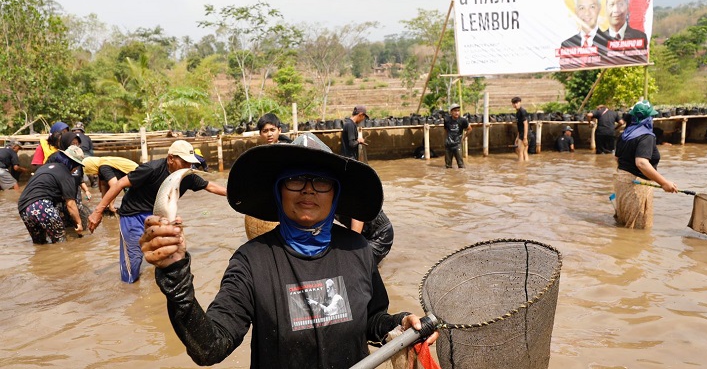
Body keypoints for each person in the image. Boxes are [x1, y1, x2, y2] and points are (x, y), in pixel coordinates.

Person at [139, 132, 438, 367]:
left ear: (335, 194)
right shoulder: (251, 261)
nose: (308, 189)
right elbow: (210, 349)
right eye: (295, 180)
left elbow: (372, 321)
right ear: (278, 190)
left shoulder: (357, 249)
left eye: (321, 182)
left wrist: (399, 324)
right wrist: (175, 275)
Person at [88, 140, 227, 284]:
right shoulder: (151, 169)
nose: (188, 167)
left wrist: (233, 194)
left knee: (166, 255)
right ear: (171, 158)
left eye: (190, 163)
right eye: (184, 162)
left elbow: (210, 186)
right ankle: (129, 289)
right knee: (134, 260)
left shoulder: (187, 176)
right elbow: (119, 184)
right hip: (133, 215)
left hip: (156, 216)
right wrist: (98, 211)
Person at [614, 100, 678, 229]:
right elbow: (641, 163)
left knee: (624, 224)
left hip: (621, 182)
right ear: (648, 119)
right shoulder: (646, 136)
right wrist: (664, 183)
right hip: (636, 185)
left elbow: (616, 158)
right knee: (639, 229)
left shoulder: (625, 134)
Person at [18, 145, 85, 243]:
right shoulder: (66, 174)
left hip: (23, 207)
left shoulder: (44, 168)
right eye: (76, 165)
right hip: (41, 205)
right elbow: (70, 204)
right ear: (71, 163)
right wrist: (79, 223)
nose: (76, 169)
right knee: (60, 242)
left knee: (40, 244)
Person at [558, 0, 610, 69]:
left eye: (592, 7)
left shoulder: (609, 42)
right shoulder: (567, 45)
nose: (587, 13)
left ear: (599, 8)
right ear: (576, 11)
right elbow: (565, 73)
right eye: (582, 8)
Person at [603, 0, 649, 64]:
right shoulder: (598, 40)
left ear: (627, 7)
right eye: (611, 5)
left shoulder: (640, 37)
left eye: (620, 4)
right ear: (606, 8)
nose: (616, 10)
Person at [444, 103, 472, 169]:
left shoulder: (462, 120)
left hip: (457, 145)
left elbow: (470, 129)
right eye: (455, 111)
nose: (457, 113)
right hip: (448, 145)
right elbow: (445, 130)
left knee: (461, 165)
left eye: (458, 111)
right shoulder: (447, 120)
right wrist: (446, 140)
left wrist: (464, 137)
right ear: (451, 112)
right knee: (448, 166)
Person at [511, 96, 529, 162]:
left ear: (520, 103)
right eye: (514, 103)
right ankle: (526, 165)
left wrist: (525, 137)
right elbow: (519, 126)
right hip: (523, 133)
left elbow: (526, 124)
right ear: (512, 104)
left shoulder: (522, 111)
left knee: (520, 152)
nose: (516, 105)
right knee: (524, 152)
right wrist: (517, 137)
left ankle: (520, 167)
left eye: (517, 103)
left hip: (524, 134)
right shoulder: (518, 112)